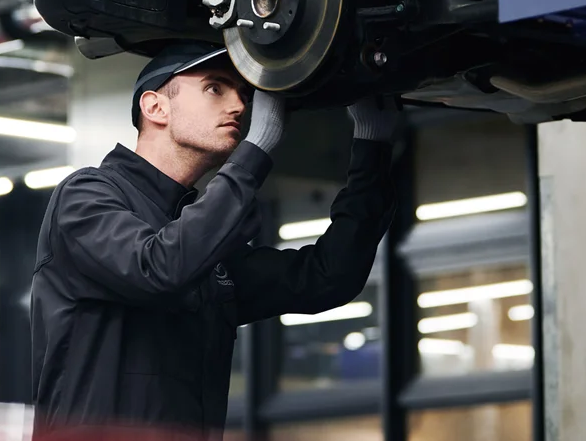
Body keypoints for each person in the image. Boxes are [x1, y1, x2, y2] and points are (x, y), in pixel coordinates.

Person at [30, 42, 398, 439]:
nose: (240, 106)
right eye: (215, 88)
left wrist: (371, 146)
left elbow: (326, 277)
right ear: (156, 107)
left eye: (243, 93)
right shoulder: (86, 195)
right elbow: (158, 268)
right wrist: (255, 154)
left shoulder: (205, 246)